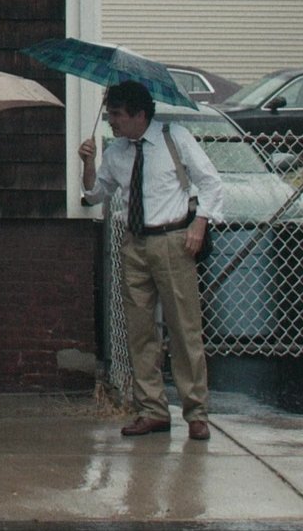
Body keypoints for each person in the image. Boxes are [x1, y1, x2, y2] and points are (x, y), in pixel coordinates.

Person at [77, 80, 223, 441]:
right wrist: (89, 163)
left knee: (184, 328)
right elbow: (95, 194)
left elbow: (211, 183)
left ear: (139, 114)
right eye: (109, 114)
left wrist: (200, 224)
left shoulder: (175, 138)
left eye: (117, 114)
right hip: (135, 244)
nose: (112, 121)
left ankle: (196, 412)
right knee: (140, 330)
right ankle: (152, 409)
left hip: (173, 240)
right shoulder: (117, 152)